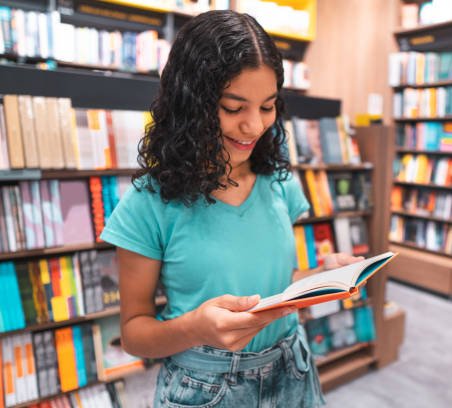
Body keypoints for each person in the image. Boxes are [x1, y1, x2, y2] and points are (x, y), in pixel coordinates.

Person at [100, 10, 363, 408]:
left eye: (268, 106)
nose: (255, 126)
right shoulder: (149, 204)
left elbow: (270, 282)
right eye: (234, 107)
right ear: (191, 105)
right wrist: (195, 328)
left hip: (293, 367)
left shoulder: (280, 183)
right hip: (205, 385)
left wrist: (319, 278)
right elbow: (134, 334)